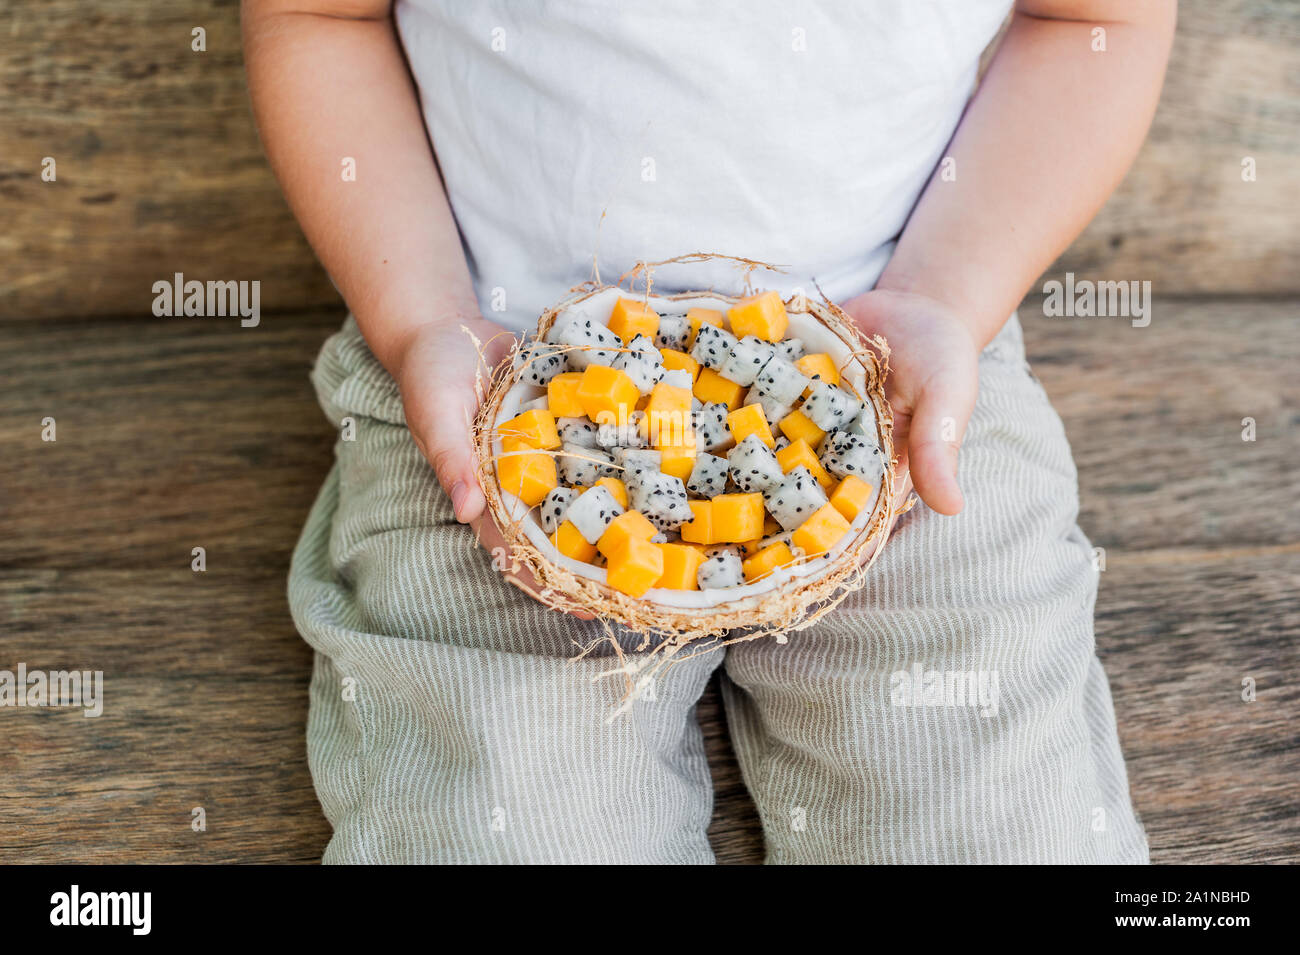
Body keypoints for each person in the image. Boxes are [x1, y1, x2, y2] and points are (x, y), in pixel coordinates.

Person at [244, 0, 1174, 863]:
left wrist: (945, 296)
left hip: (909, 369)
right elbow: (321, 15)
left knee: (998, 832)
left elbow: (1090, 22)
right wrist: (419, 321)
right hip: (484, 380)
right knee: (510, 829)